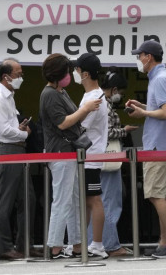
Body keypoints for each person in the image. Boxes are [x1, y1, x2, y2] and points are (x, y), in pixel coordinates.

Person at [39, 53, 101, 259]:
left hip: (69, 153)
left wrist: (82, 111)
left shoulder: (60, 91)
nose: (69, 75)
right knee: (62, 199)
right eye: (66, 71)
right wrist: (85, 109)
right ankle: (55, 246)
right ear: (58, 73)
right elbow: (63, 123)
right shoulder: (49, 95)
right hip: (60, 153)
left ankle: (76, 243)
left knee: (74, 200)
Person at [127, 40, 166, 258]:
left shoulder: (159, 79)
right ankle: (165, 241)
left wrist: (144, 113)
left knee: (156, 195)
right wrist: (144, 107)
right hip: (163, 144)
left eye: (139, 55)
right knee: (162, 195)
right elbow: (165, 110)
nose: (139, 60)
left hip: (158, 145)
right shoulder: (163, 77)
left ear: (148, 56)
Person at [0, 58, 37, 260]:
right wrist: (24, 133)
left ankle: (25, 244)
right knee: (6, 200)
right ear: (5, 76)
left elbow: (11, 126)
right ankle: (5, 246)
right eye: (18, 74)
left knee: (28, 199)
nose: (21, 77)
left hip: (17, 149)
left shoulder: (9, 96)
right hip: (7, 149)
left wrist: (20, 129)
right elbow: (3, 130)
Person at [87, 66, 138, 256]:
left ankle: (96, 241)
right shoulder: (104, 105)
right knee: (109, 202)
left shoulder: (97, 101)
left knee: (99, 201)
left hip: (97, 157)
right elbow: (107, 132)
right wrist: (125, 130)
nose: (121, 97)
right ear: (115, 90)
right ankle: (110, 244)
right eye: (121, 93)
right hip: (108, 158)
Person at [72, 53, 109, 259]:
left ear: (85, 73)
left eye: (77, 71)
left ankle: (97, 244)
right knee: (87, 200)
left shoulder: (94, 97)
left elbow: (79, 125)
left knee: (94, 199)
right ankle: (83, 241)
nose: (75, 74)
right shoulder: (91, 96)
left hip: (91, 156)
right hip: (88, 157)